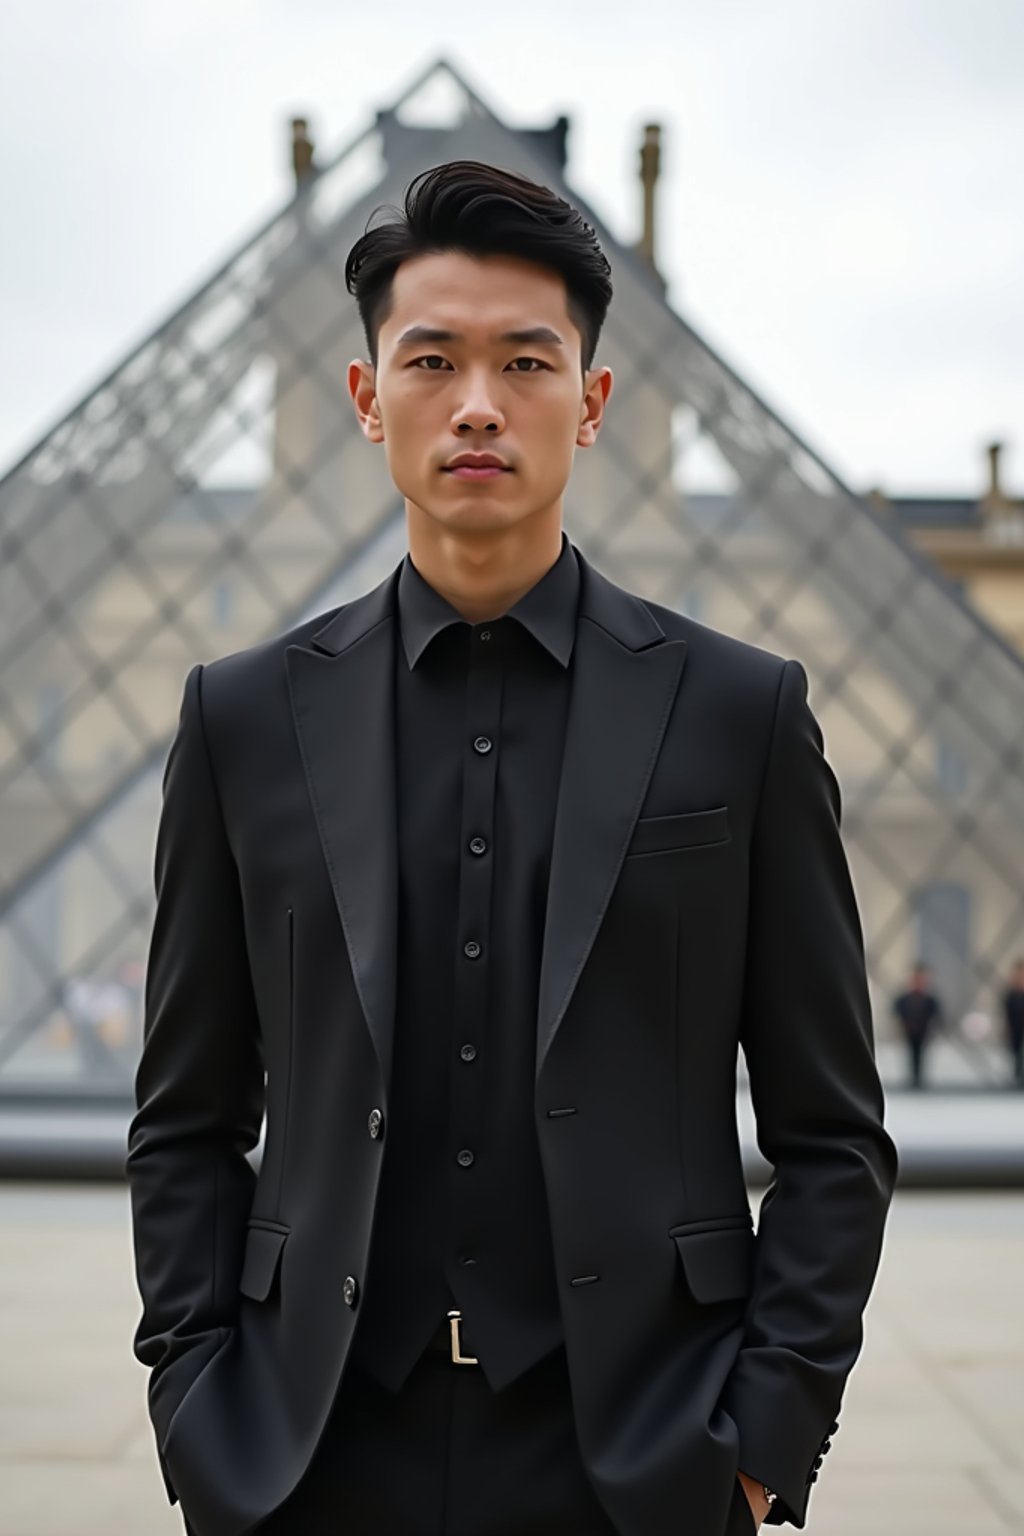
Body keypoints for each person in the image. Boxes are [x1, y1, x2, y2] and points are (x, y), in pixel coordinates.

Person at [126, 160, 897, 1536]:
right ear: (367, 400)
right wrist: (200, 1409)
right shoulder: (239, 718)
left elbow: (833, 1134)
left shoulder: (741, 712)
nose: (478, 403)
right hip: (306, 1459)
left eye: (526, 361)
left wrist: (763, 1437)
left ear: (591, 404)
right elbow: (185, 1119)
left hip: (640, 1464)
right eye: (432, 359)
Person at [892, 962, 943, 1090]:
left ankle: (918, 1079)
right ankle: (913, 1079)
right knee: (911, 1054)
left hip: (923, 1030)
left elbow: (936, 1014)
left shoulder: (929, 999)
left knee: (920, 1055)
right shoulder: (904, 998)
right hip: (909, 1029)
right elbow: (897, 1011)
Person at [1002, 958, 1024, 1087]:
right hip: (1016, 1028)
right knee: (1016, 1054)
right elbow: (1008, 1012)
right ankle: (1018, 1077)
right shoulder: (1011, 994)